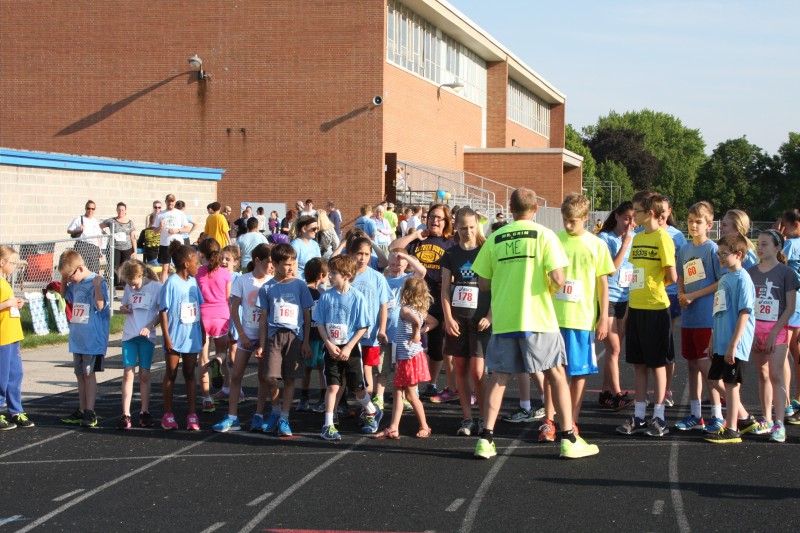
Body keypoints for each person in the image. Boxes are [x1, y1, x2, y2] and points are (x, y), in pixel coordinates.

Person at [471, 187, 599, 460]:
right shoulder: (545, 235)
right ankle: (568, 438)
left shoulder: (495, 237)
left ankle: (486, 439)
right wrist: (548, 288)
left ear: (510, 208)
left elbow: (483, 282)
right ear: (536, 209)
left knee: (500, 379)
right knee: (556, 375)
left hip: (505, 318)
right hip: (538, 318)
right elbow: (559, 277)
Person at [549, 194, 614, 439]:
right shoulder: (554, 241)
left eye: (573, 221)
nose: (567, 225)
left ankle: (572, 419)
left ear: (585, 218)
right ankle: (552, 419)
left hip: (581, 319)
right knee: (554, 373)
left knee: (577, 373)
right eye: (565, 220)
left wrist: (603, 317)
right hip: (554, 319)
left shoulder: (596, 245)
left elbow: (602, 285)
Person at [615, 191, 676, 438]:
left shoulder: (663, 238)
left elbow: (672, 276)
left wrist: (654, 282)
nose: (632, 218)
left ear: (649, 213)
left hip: (656, 308)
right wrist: (628, 311)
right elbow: (634, 276)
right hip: (637, 307)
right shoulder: (638, 239)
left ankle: (659, 416)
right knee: (639, 364)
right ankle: (639, 415)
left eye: (637, 213)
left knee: (657, 364)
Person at [390, 204, 457, 400]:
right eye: (431, 217)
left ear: (446, 222)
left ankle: (432, 383)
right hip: (413, 301)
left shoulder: (450, 243)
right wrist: (414, 235)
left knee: (436, 347)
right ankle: (411, 384)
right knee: (408, 344)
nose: (434, 221)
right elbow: (394, 249)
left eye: (439, 218)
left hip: (437, 300)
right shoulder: (419, 240)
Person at [313, 255, 382, 440]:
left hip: (350, 349)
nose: (329, 277)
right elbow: (319, 322)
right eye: (330, 273)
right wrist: (328, 343)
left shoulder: (357, 298)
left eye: (333, 273)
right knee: (333, 386)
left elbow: (363, 326)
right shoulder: (326, 296)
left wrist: (349, 346)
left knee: (357, 388)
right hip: (331, 348)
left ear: (347, 275)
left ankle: (372, 411)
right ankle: (328, 425)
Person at [439, 207, 492, 436]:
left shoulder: (486, 251)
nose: (468, 232)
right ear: (456, 227)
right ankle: (467, 418)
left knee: (478, 372)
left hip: (480, 319)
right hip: (458, 320)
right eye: (463, 228)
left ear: (477, 225)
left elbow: (496, 286)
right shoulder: (451, 254)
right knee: (460, 367)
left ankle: (483, 417)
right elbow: (444, 290)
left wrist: (490, 315)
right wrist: (448, 318)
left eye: (472, 227)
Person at [674, 202, 724, 432]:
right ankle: (695, 415)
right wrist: (683, 294)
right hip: (689, 315)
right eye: (690, 221)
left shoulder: (712, 249)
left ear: (709, 224)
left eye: (698, 222)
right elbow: (681, 275)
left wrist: (694, 295)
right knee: (692, 365)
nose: (693, 225)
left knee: (707, 366)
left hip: (705, 315)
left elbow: (719, 281)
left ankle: (717, 414)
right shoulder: (684, 249)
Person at [212, 244, 273, 433]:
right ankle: (232, 417)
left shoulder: (272, 282)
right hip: (246, 336)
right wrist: (242, 334)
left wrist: (264, 341)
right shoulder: (242, 281)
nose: (272, 266)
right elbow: (234, 310)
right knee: (236, 375)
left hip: (265, 337)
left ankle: (258, 415)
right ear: (257, 261)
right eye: (269, 262)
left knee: (263, 378)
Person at [704, 233, 759, 443]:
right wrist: (712, 339)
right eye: (718, 254)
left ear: (739, 254)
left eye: (724, 254)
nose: (720, 257)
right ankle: (744, 417)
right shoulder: (725, 278)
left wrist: (733, 345)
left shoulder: (743, 279)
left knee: (731, 383)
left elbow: (745, 313)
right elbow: (718, 310)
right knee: (713, 379)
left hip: (735, 343)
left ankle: (733, 428)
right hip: (721, 340)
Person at [255, 243, 314, 436]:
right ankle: (276, 410)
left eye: (294, 263)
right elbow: (263, 317)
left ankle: (284, 418)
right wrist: (262, 343)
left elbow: (306, 315)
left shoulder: (300, 285)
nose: (291, 268)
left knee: (289, 378)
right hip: (274, 335)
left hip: (294, 336)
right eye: (287, 264)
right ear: (276, 263)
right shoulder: (267, 288)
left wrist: (305, 341)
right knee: (270, 377)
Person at [748, 229, 798, 442]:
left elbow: (790, 308)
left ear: (778, 248)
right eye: (758, 243)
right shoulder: (750, 272)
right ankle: (766, 418)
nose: (759, 247)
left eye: (765, 244)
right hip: (756, 330)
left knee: (777, 375)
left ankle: (780, 423)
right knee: (763, 375)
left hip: (776, 330)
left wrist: (775, 332)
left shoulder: (787, 273)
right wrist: (751, 332)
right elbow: (748, 305)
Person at [375, 277, 438, 439]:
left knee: (409, 394)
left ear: (405, 292)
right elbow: (434, 322)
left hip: (409, 357)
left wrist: (417, 332)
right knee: (399, 393)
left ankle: (424, 425)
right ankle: (394, 427)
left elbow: (416, 321)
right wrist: (422, 331)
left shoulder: (405, 310)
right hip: (410, 356)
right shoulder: (419, 310)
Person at [58, 249, 111, 428]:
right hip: (78, 337)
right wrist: (64, 280)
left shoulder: (96, 281)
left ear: (80, 268)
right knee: (80, 374)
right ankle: (81, 409)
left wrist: (97, 286)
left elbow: (101, 306)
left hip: (92, 338)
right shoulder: (74, 283)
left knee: (89, 374)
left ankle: (90, 410)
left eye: (70, 276)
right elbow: (64, 295)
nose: (70, 280)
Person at [158, 241, 205, 430]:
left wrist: (201, 330)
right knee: (171, 373)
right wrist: (167, 337)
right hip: (175, 337)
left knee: (190, 373)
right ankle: (168, 414)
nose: (198, 266)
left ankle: (192, 413)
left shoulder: (194, 283)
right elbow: (163, 311)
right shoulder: (171, 283)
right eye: (196, 262)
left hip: (191, 336)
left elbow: (198, 307)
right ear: (186, 264)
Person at [597, 201, 636, 410]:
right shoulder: (605, 238)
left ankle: (605, 392)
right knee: (613, 348)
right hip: (608, 297)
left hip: (625, 297)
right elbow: (611, 269)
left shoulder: (635, 238)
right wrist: (625, 243)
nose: (630, 223)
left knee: (615, 351)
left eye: (634, 219)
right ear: (618, 216)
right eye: (627, 218)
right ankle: (618, 394)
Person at [116, 260, 162, 429]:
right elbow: (125, 304)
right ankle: (126, 413)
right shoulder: (129, 287)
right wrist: (123, 308)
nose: (133, 288)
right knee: (128, 372)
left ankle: (144, 411)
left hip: (146, 336)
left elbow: (160, 312)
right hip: (130, 334)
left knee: (144, 373)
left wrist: (149, 326)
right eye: (129, 284)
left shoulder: (156, 287)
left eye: (135, 284)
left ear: (141, 275)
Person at [381, 248, 427, 410]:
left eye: (399, 264)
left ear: (406, 264)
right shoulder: (383, 279)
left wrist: (405, 256)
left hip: (404, 336)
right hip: (386, 332)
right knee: (383, 369)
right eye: (392, 264)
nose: (395, 267)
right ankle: (379, 397)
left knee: (406, 369)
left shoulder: (408, 279)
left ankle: (411, 395)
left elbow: (421, 271)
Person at [349, 237, 391, 399]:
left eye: (367, 254)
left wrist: (381, 329)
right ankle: (343, 406)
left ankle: (367, 411)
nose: (363, 258)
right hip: (349, 333)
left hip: (370, 334)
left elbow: (384, 305)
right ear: (351, 253)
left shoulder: (377, 277)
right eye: (359, 253)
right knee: (348, 371)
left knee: (367, 369)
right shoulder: (346, 276)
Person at [195, 239, 232, 414]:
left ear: (202, 254)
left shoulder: (198, 272)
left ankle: (207, 398)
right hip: (221, 315)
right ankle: (226, 385)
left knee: (202, 358)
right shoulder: (225, 273)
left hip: (203, 315)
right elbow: (227, 297)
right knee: (222, 353)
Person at [0, 245, 33, 430]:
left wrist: (15, 304)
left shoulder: (4, 282)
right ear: (1, 262)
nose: (13, 266)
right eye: (11, 263)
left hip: (13, 335)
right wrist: (7, 303)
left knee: (15, 374)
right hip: (2, 337)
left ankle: (15, 410)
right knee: (1, 377)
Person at [297, 257, 328, 413]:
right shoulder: (318, 293)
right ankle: (319, 398)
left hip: (312, 336)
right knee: (321, 369)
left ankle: (305, 398)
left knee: (308, 370)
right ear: (321, 276)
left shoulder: (310, 291)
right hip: (315, 336)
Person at [780, 209, 800, 419]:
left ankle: (786, 404)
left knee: (784, 353)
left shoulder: (791, 245)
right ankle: (797, 399)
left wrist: (779, 236)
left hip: (791, 303)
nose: (782, 228)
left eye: (784, 224)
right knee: (797, 354)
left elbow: (776, 262)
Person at [152, 194, 192, 283]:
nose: (170, 203)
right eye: (169, 201)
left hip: (177, 244)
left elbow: (187, 228)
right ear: (165, 201)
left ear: (174, 202)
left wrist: (177, 231)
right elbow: (155, 231)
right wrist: (160, 227)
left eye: (172, 201)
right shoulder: (160, 214)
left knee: (180, 265)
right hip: (165, 243)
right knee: (165, 267)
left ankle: (181, 283)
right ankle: (164, 286)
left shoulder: (180, 213)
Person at [100, 202, 137, 288]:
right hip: (114, 248)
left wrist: (135, 251)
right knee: (114, 267)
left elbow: (133, 237)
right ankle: (115, 285)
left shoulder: (130, 223)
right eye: (119, 210)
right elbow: (100, 226)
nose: (121, 211)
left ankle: (125, 285)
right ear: (117, 210)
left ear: (125, 211)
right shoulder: (111, 221)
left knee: (125, 266)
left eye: (122, 210)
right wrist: (105, 234)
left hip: (127, 248)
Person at [67, 200, 103, 273]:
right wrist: (78, 229)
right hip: (82, 245)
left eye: (93, 209)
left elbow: (98, 237)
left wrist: (100, 250)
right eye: (88, 208)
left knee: (94, 270)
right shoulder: (79, 219)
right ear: (85, 208)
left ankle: (92, 284)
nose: (90, 210)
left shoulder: (95, 221)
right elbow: (69, 230)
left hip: (93, 247)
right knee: (82, 269)